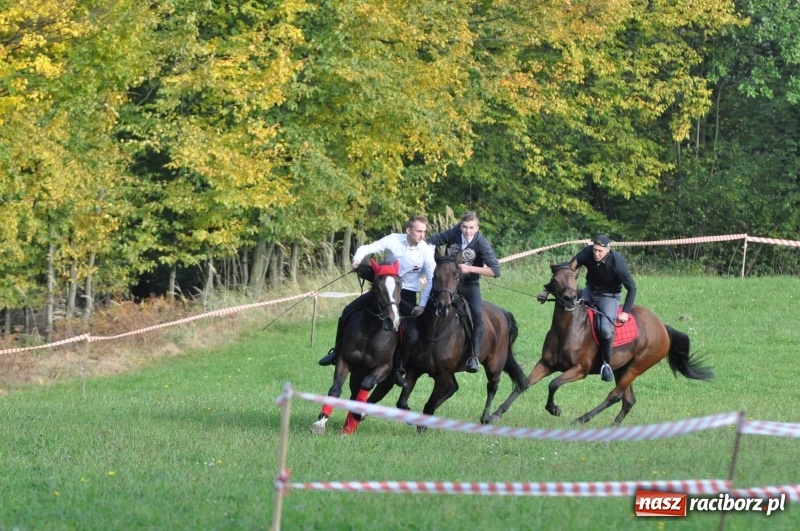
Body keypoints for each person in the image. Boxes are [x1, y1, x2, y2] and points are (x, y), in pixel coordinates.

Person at [318, 215, 436, 387]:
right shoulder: (393, 240)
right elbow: (368, 248)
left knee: (412, 335)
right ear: (408, 230)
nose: (422, 235)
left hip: (406, 296)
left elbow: (432, 279)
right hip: (382, 290)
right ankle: (336, 352)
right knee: (348, 311)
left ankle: (397, 369)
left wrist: (422, 304)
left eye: (424, 232)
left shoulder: (426, 251)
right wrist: (357, 260)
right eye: (419, 231)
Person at [537, 234, 636, 382]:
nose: (596, 254)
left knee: (605, 329)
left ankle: (605, 365)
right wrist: (547, 290)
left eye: (600, 251)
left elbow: (632, 288)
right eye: (595, 250)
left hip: (609, 296)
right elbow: (566, 272)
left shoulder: (618, 263)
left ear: (608, 249)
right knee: (568, 309)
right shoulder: (587, 252)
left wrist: (626, 312)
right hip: (589, 292)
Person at [426, 211, 501, 373]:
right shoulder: (453, 233)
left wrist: (470, 268)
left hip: (469, 284)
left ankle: (473, 355)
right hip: (447, 282)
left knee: (476, 313)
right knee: (425, 306)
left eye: (471, 228)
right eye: (465, 227)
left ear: (477, 228)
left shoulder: (481, 243)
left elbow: (496, 271)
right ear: (460, 226)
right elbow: (430, 242)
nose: (467, 231)